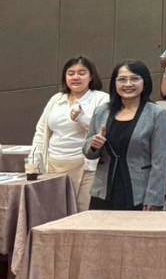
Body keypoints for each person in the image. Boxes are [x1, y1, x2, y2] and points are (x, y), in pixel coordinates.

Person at [84, 62, 166, 210]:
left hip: (139, 193)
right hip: (104, 190)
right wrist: (94, 145)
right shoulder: (102, 111)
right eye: (122, 79)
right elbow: (88, 152)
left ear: (144, 82)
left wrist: (154, 199)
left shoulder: (156, 114)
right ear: (114, 83)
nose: (128, 84)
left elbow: (160, 162)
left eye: (134, 79)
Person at [28, 55, 109, 201]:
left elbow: (103, 130)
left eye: (82, 73)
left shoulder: (101, 98)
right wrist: (34, 161)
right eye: (71, 73)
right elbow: (41, 131)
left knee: (81, 210)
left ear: (91, 77)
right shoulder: (56, 99)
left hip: (84, 166)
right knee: (54, 209)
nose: (75, 77)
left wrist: (81, 118)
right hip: (53, 164)